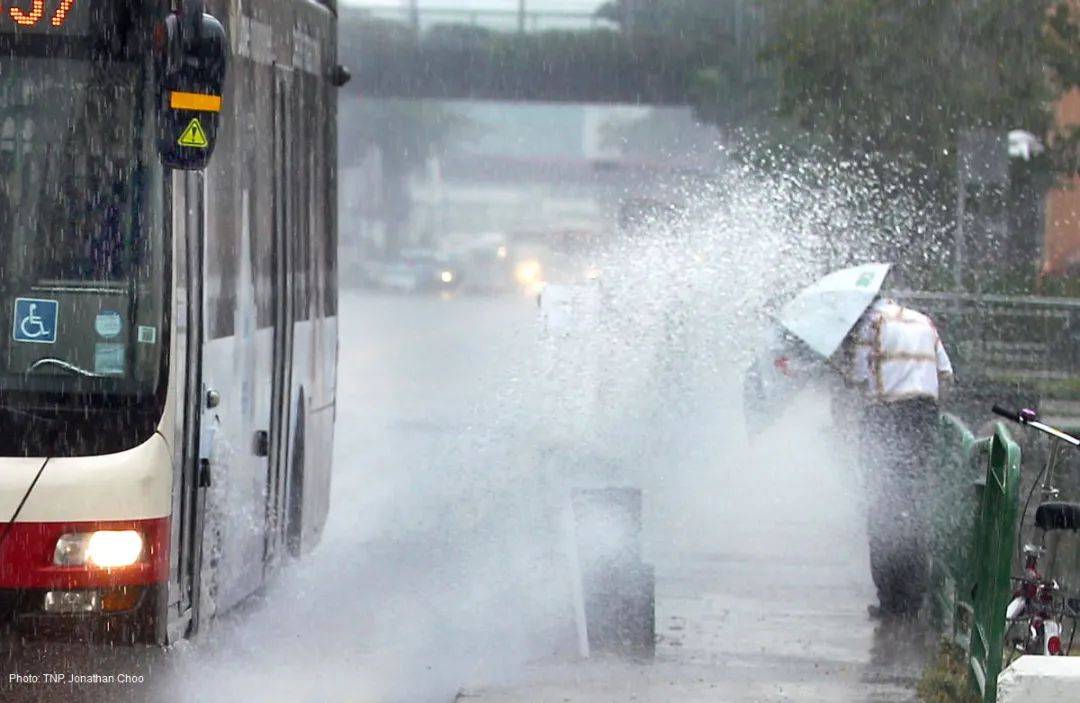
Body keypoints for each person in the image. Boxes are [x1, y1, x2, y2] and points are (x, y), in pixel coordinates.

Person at [844, 296, 953, 618]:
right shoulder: (924, 321)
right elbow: (945, 372)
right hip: (924, 416)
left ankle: (890, 599)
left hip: (887, 417)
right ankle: (913, 598)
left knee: (883, 505)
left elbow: (859, 377)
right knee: (914, 503)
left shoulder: (870, 325)